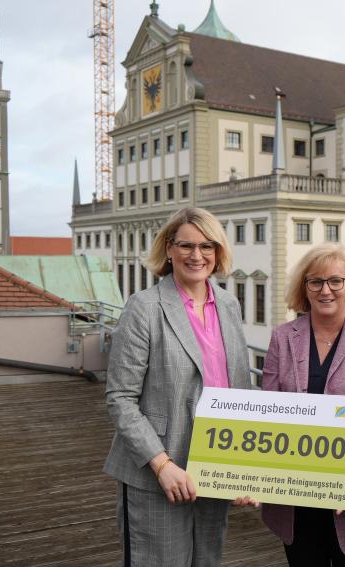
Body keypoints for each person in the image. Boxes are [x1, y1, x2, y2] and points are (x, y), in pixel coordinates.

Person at [103, 207, 251, 566]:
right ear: (169, 249)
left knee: (207, 561)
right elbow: (120, 398)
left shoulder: (228, 305)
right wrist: (162, 464)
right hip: (159, 472)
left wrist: (248, 469)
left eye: (207, 246)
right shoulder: (144, 308)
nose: (196, 255)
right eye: (186, 245)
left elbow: (241, 391)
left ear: (218, 252)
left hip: (215, 466)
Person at [261, 244, 345, 566]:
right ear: (304, 288)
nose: (326, 290)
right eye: (316, 282)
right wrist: (249, 476)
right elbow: (266, 413)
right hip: (294, 497)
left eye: (336, 281)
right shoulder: (282, 338)